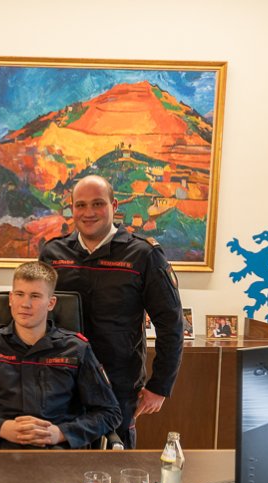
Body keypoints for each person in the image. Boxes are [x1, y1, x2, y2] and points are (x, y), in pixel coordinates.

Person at [39, 175, 183, 448]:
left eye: (98, 203)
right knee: (58, 466)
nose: (88, 212)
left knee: (114, 467)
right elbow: (37, 316)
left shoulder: (143, 255)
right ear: (71, 208)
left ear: (114, 206)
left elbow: (171, 324)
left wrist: (159, 386)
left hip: (117, 388)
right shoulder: (53, 254)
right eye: (80, 205)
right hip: (61, 385)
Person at [0, 261, 121, 449]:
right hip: (1, 451)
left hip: (58, 452)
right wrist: (0, 428)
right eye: (19, 294)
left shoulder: (76, 349)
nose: (25, 304)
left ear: (51, 303)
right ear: (11, 299)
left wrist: (61, 433)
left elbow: (110, 412)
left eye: (35, 296)